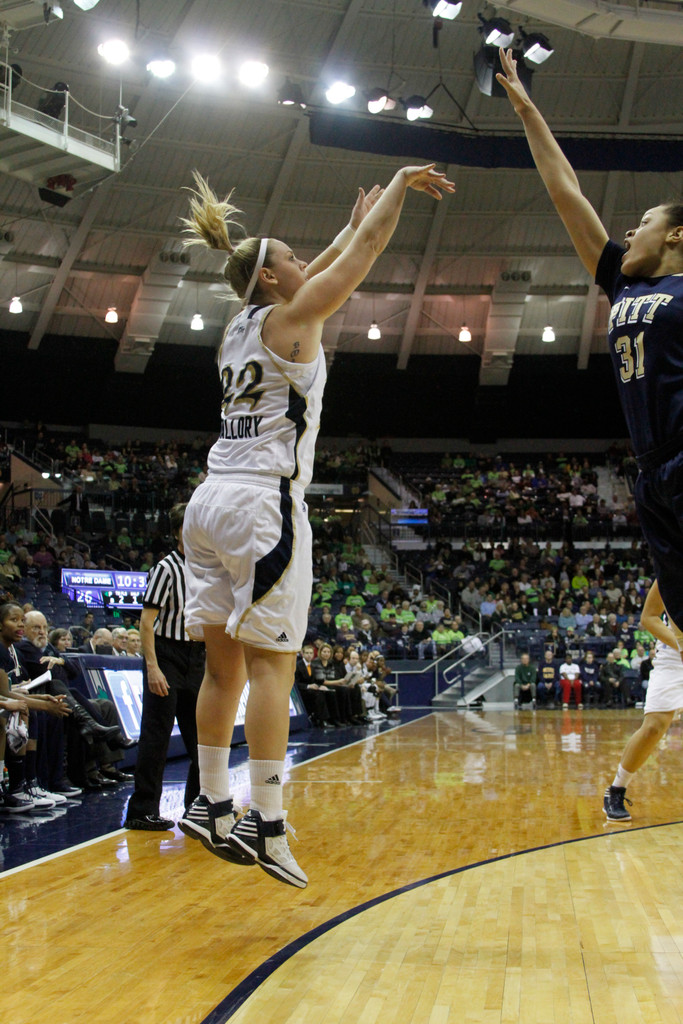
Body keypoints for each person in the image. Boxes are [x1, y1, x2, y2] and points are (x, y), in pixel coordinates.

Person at [177, 162, 454, 888]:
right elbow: (358, 260)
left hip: (207, 502)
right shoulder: (293, 319)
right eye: (294, 258)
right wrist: (394, 188)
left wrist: (344, 227)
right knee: (274, 665)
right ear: (270, 276)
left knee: (222, 666)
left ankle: (209, 802)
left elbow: (329, 257)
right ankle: (267, 824)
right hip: (261, 505)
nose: (308, 263)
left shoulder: (236, 325)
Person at [498, 49, 683, 658]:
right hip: (651, 472)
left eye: (644, 222)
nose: (629, 232)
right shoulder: (625, 283)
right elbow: (564, 190)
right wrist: (527, 111)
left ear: (678, 235)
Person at [125, 504, 205, 831]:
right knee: (157, 735)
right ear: (178, 531)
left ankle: (197, 806)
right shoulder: (166, 568)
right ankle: (142, 810)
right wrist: (153, 667)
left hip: (196, 655)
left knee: (204, 738)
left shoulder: (206, 568)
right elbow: (146, 623)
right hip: (166, 653)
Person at [604, 582, 683, 822]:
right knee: (654, 726)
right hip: (673, 654)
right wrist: (680, 643)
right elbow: (649, 617)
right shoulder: (672, 567)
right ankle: (616, 790)